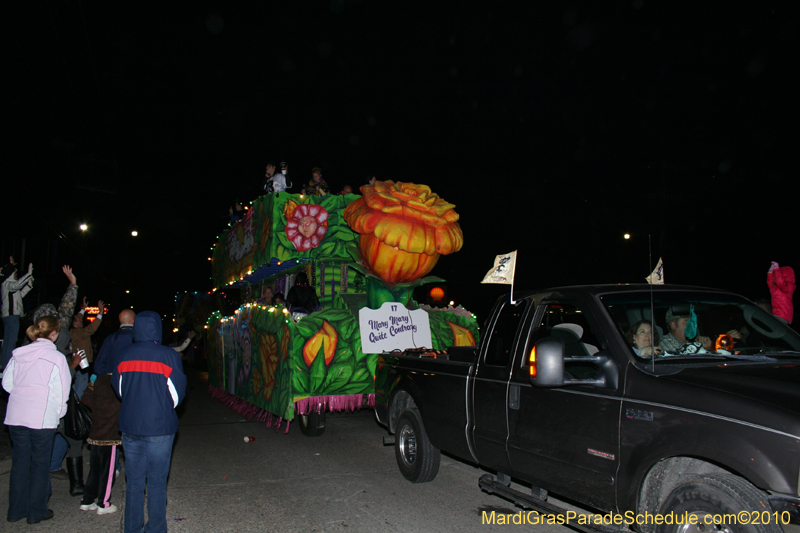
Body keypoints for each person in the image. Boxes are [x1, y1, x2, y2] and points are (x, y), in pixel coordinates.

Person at [111, 310, 187, 533]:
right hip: (159, 428)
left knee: (134, 482)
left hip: (130, 426)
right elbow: (176, 395)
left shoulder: (124, 354)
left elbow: (120, 389)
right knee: (156, 482)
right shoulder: (169, 356)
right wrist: (160, 407)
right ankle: (155, 529)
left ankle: (132, 529)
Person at [3, 316, 71, 524]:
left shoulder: (18, 353)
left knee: (20, 463)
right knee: (40, 465)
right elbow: (62, 390)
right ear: (54, 334)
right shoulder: (56, 357)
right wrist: (58, 412)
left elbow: (7, 383)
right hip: (41, 416)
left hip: (16, 415)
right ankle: (36, 511)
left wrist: (22, 395)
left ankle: (15, 511)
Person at [78, 371, 122, 515]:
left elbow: (85, 399)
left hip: (95, 433)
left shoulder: (98, 382)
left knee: (95, 470)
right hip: (109, 435)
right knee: (107, 472)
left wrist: (91, 385)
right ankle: (104, 503)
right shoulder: (118, 383)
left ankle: (87, 500)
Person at [1, 256, 34, 369]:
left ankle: (5, 364)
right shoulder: (7, 283)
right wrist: (28, 274)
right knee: (11, 341)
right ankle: (7, 365)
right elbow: (18, 285)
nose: (16, 275)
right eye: (15, 274)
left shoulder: (10, 286)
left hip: (11, 316)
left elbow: (21, 293)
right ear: (11, 274)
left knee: (8, 341)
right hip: (11, 316)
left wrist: (29, 284)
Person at [70, 297, 105, 363]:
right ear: (75, 324)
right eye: (79, 320)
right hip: (81, 364)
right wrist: (100, 313)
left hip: (80, 362)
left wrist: (83, 308)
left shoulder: (74, 330)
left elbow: (77, 317)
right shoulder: (77, 333)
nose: (81, 319)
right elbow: (91, 329)